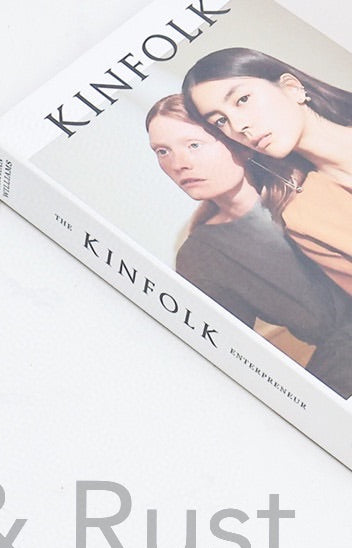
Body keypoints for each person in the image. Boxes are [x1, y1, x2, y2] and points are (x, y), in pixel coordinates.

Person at [145, 94, 352, 397]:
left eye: (193, 145)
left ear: (236, 142)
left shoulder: (312, 174)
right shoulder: (202, 255)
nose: (179, 164)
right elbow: (228, 364)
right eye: (163, 151)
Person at [183, 48, 352, 294]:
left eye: (242, 99)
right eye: (220, 121)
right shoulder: (305, 219)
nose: (238, 126)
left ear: (292, 87)